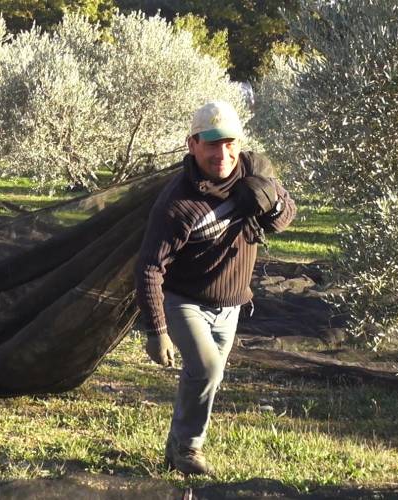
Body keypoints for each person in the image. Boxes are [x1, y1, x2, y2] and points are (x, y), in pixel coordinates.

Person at [134, 100, 296, 476]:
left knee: (205, 376)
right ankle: (190, 449)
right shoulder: (178, 204)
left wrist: (270, 205)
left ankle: (176, 446)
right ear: (192, 144)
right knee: (207, 369)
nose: (221, 153)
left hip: (231, 303)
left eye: (229, 143)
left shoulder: (255, 171)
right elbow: (149, 267)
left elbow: (287, 215)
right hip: (184, 299)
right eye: (211, 144)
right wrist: (157, 330)